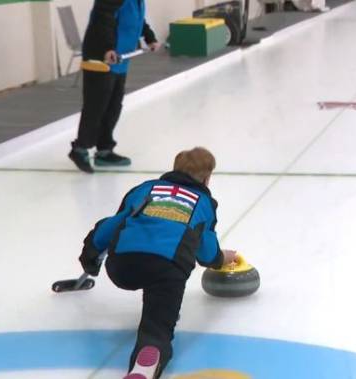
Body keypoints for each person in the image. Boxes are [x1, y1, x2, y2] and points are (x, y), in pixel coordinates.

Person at [78, 147, 237, 379]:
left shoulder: (145, 189)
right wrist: (221, 259)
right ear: (207, 178)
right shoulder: (203, 202)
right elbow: (206, 250)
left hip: (122, 265)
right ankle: (144, 367)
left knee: (123, 226)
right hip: (167, 269)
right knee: (157, 328)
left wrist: (90, 255)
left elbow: (114, 224)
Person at [69, 0, 161, 173]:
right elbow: (103, 19)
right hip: (103, 56)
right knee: (97, 105)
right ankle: (80, 148)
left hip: (120, 58)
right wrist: (107, 48)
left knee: (113, 106)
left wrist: (150, 37)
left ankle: (104, 150)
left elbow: (139, 20)